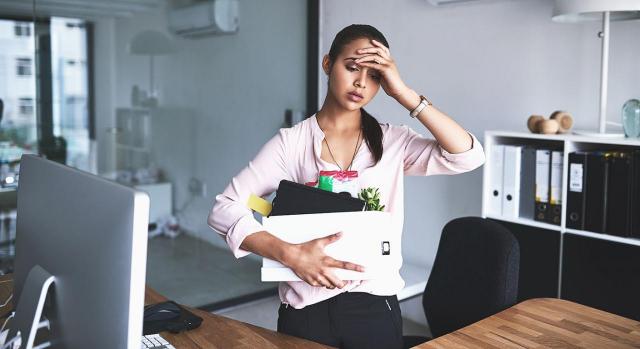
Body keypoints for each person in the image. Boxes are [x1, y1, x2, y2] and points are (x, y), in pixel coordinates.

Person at [208, 24, 485, 349]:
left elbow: (468, 156)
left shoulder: (394, 141)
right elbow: (225, 207)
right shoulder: (291, 144)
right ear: (328, 64)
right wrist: (290, 254)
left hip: (374, 305)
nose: (361, 83)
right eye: (352, 68)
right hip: (305, 307)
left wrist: (405, 95)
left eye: (375, 76)